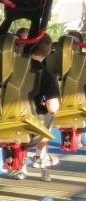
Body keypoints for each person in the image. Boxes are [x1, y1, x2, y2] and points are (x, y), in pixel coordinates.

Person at [27, 34, 60, 182]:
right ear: (48, 52)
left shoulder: (7, 68)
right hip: (32, 117)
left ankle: (21, 165)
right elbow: (53, 107)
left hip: (3, 116)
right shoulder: (46, 74)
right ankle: (41, 155)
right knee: (50, 114)